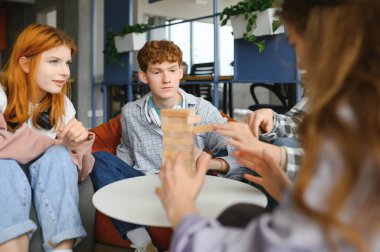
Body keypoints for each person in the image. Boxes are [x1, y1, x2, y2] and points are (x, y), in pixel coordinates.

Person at [156, 0, 380, 251]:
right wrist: (283, 183)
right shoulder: (353, 102)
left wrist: (182, 209)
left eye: (294, 44)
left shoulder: (350, 121)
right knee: (239, 210)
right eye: (157, 72)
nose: (299, 64)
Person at [90, 40, 241, 252]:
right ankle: (143, 243)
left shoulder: (202, 110)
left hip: (187, 186)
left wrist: (210, 164)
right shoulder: (130, 112)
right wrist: (118, 181)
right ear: (144, 76)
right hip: (144, 184)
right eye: (157, 72)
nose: (166, 79)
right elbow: (124, 156)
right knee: (100, 160)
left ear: (181, 72)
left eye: (172, 70)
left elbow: (242, 156)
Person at [0, 24, 95, 252]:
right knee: (6, 166)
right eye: (54, 61)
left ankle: (63, 249)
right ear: (25, 63)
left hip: (48, 176)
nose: (65, 72)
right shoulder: (2, 91)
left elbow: (81, 170)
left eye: (67, 63)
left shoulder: (63, 105)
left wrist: (76, 145)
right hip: (7, 175)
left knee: (59, 155)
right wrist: (53, 142)